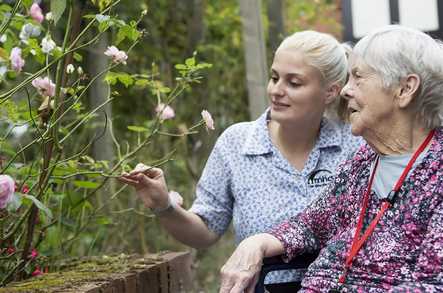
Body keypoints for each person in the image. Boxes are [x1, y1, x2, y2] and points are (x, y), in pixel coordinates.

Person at [119, 30, 362, 290]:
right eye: (274, 77)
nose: (277, 91)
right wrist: (164, 205)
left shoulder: (355, 145)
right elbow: (205, 232)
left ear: (330, 92)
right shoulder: (236, 143)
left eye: (294, 83)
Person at [219, 25, 443, 292]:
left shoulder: (437, 173)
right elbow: (313, 223)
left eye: (358, 78)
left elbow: (431, 285)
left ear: (405, 89)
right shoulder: (363, 161)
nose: (346, 91)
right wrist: (256, 242)